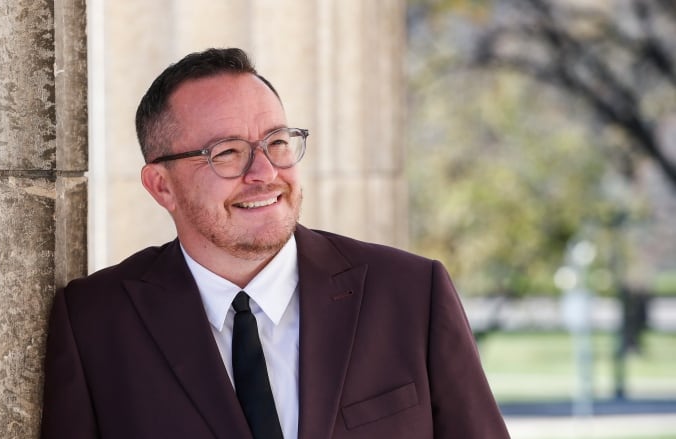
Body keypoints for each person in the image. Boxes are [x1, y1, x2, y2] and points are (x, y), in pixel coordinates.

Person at [40, 47, 510, 439]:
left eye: (278, 143)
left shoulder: (411, 292)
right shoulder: (94, 322)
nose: (264, 174)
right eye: (226, 153)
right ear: (162, 186)